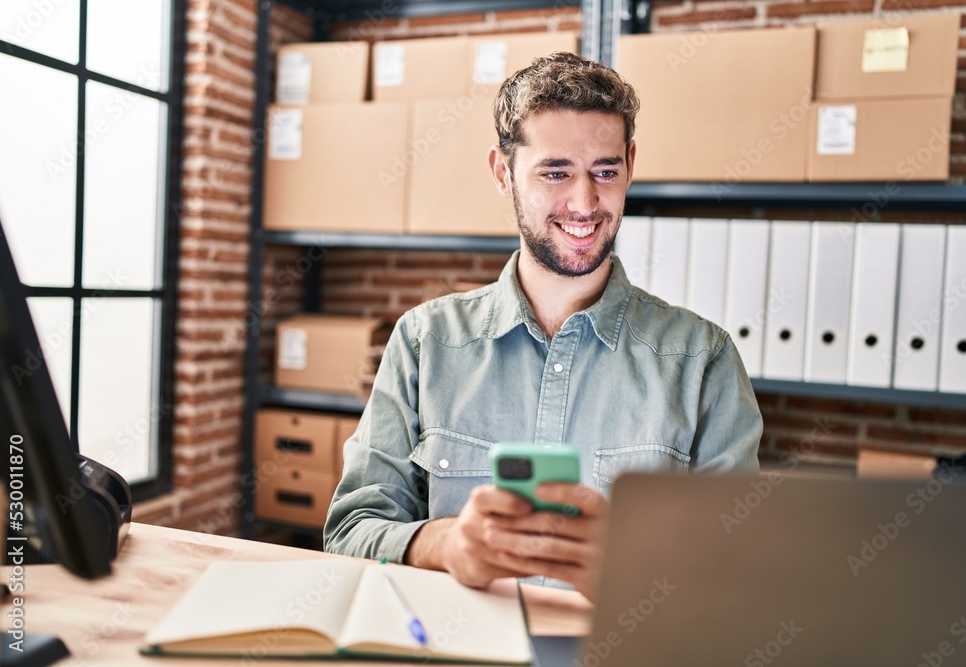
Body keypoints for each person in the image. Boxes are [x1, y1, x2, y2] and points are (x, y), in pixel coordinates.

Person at [323, 52, 762, 600]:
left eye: (605, 171)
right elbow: (351, 530)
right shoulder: (424, 341)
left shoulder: (704, 360)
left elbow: (739, 572)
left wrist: (633, 568)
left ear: (630, 163)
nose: (585, 203)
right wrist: (445, 543)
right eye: (555, 172)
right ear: (503, 174)